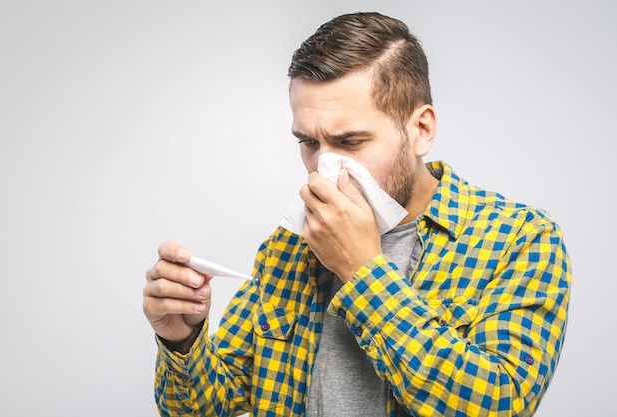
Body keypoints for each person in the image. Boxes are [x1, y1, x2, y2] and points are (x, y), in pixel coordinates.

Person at [143, 11, 571, 417]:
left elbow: (497, 404)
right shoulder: (289, 246)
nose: (324, 169)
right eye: (309, 143)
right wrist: (182, 337)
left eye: (350, 142)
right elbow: (201, 408)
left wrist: (362, 268)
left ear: (421, 130)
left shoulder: (519, 238)